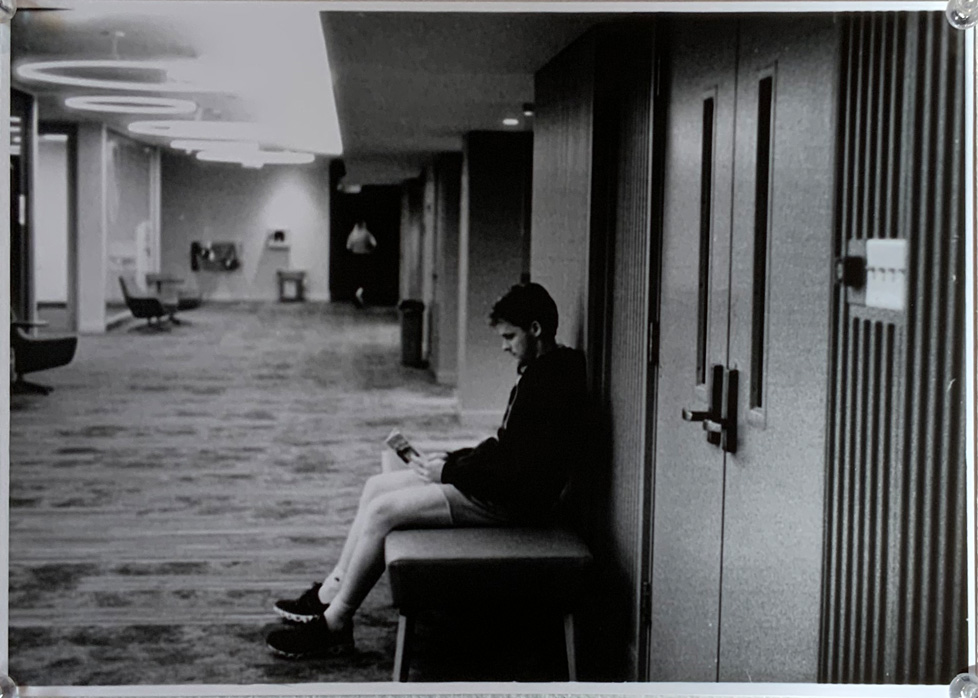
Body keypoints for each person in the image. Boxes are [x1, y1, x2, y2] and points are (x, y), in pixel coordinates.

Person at [265, 281, 588, 659]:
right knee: (376, 487)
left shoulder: (550, 384)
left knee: (384, 512)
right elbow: (506, 449)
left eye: (509, 336)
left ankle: (336, 622)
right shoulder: (542, 370)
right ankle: (330, 593)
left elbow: (518, 474)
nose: (504, 345)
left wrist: (450, 474)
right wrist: (449, 460)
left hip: (514, 505)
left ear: (535, 329)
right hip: (501, 489)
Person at [345, 220, 377, 308]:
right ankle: (362, 296)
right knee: (365, 279)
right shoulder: (366, 233)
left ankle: (356, 296)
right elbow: (374, 243)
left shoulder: (352, 234)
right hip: (364, 257)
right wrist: (370, 250)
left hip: (355, 258)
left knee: (356, 279)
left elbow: (348, 246)